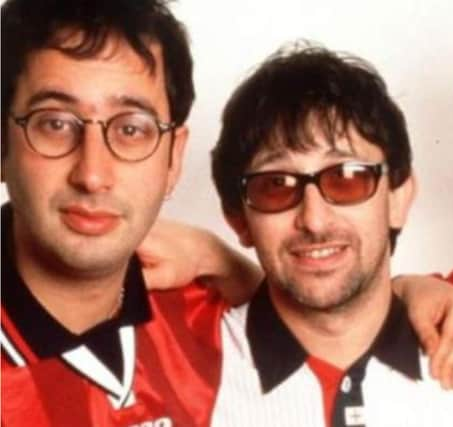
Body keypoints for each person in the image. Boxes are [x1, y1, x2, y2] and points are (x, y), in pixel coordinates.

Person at [1, 0, 260, 425]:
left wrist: (225, 261)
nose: (92, 174)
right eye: (55, 123)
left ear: (173, 158)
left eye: (131, 129)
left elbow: (333, 335)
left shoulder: (206, 312)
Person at [207, 43, 453, 427]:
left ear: (398, 198)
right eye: (276, 184)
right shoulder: (186, 368)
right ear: (238, 219)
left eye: (346, 178)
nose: (315, 220)